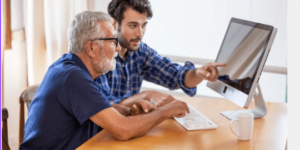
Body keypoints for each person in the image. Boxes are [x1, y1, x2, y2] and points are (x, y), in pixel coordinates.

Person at [19, 11, 189, 150]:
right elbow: (122, 130)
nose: (118, 48)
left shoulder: (75, 69)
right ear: (91, 48)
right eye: (113, 41)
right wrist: (166, 111)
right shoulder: (73, 77)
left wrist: (128, 112)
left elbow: (98, 107)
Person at [94, 0, 227, 107]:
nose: (140, 33)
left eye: (143, 25)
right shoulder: (98, 56)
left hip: (129, 127)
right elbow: (105, 107)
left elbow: (176, 76)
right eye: (133, 26)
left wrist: (198, 73)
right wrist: (146, 96)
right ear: (114, 23)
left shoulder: (140, 52)